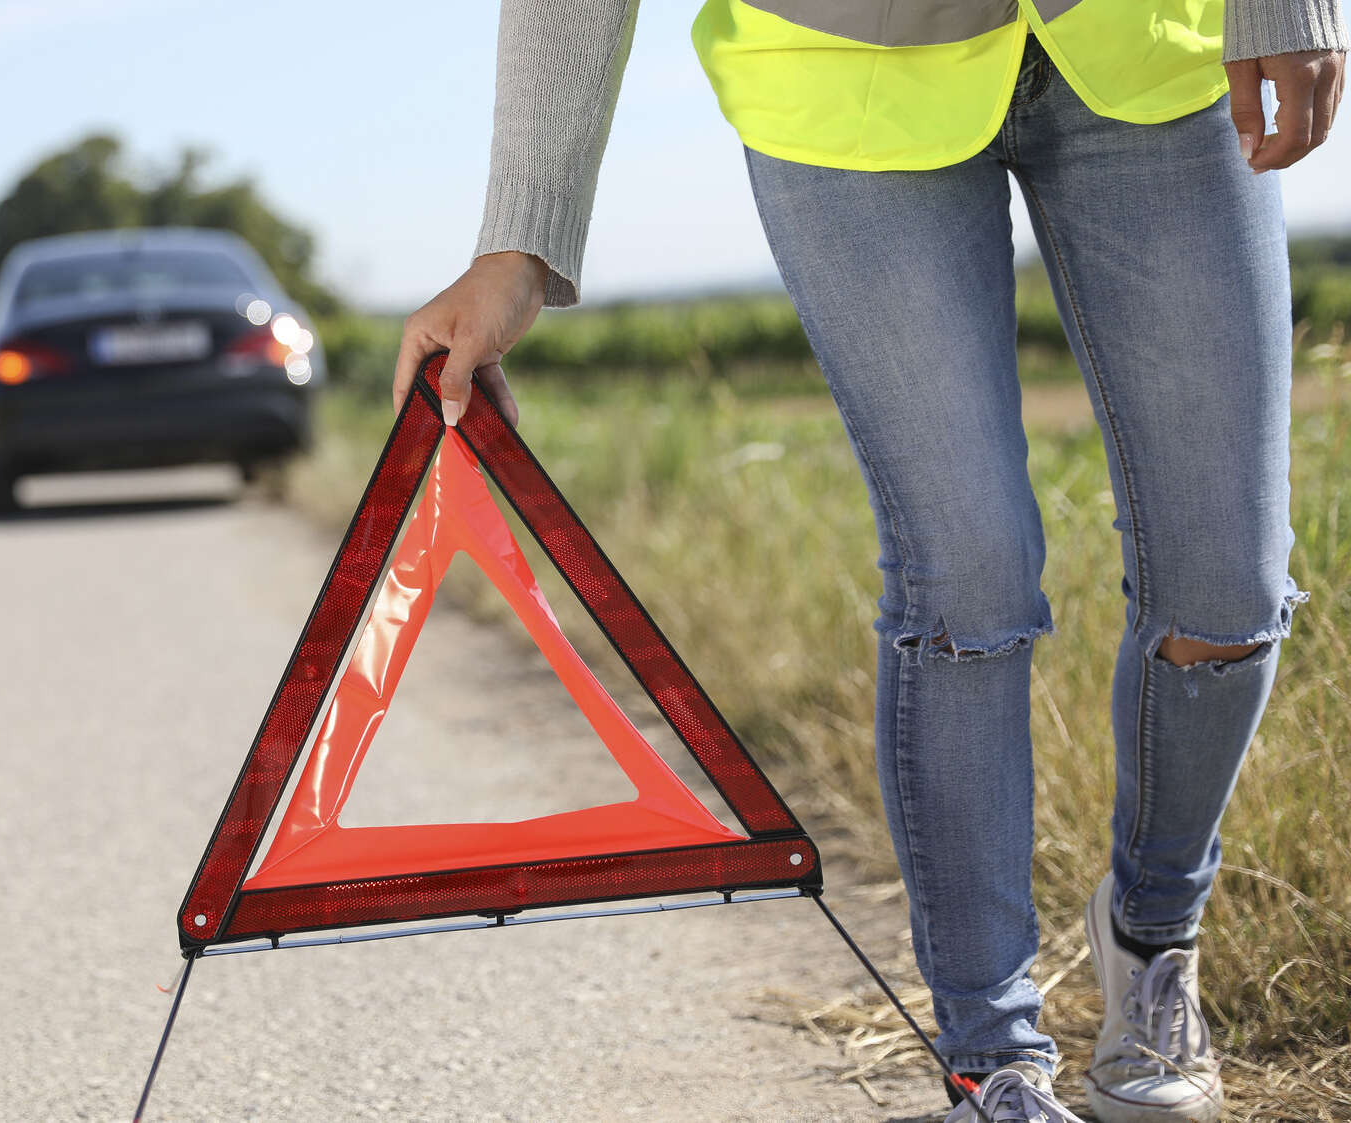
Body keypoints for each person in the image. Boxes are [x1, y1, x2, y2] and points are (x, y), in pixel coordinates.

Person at [394, 3, 1345, 1121]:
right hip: (841, 79)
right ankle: (991, 1052)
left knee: (1227, 582)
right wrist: (520, 236)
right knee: (967, 575)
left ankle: (1150, 934)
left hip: (1147, 44)